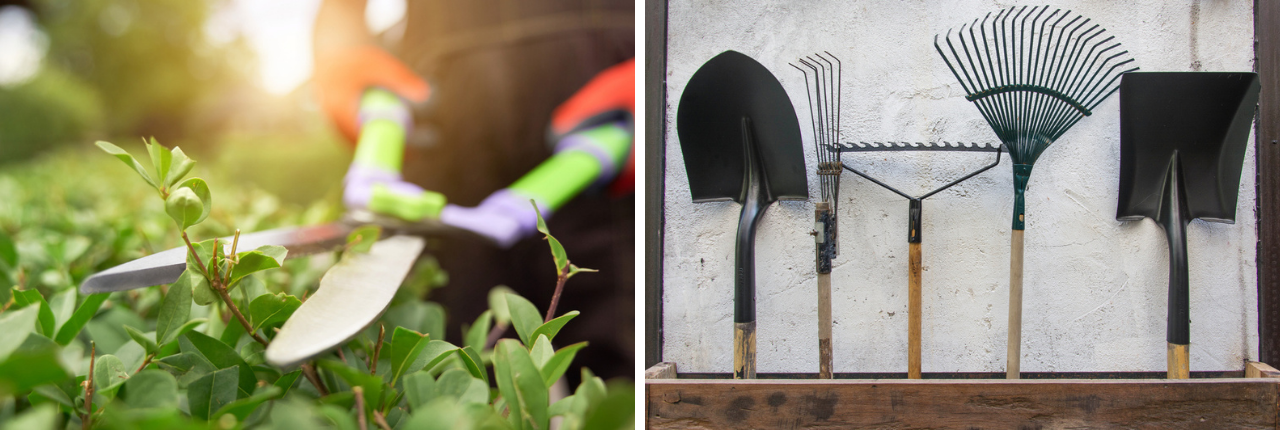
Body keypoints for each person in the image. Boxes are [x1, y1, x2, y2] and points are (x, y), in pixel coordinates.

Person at [311, 0, 634, 384]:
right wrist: (343, 54)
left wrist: (653, 75)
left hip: (598, 85)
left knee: (625, 390)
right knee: (454, 376)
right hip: (445, 110)